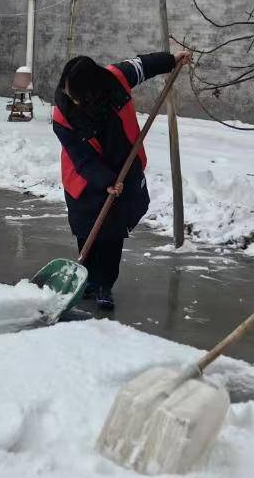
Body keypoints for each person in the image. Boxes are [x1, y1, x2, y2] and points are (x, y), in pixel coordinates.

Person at [52, 49, 190, 310]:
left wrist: (172, 60)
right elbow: (81, 158)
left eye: (77, 95)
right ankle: (88, 279)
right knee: (87, 228)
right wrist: (104, 180)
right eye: (69, 92)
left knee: (113, 231)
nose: (73, 99)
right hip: (84, 178)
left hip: (124, 166)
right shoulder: (62, 115)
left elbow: (142, 65)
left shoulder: (115, 79)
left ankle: (104, 284)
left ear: (92, 88)